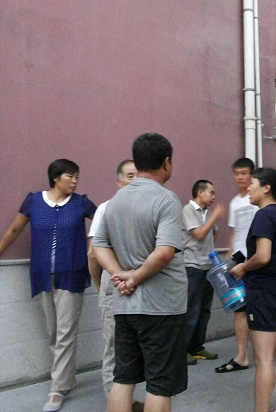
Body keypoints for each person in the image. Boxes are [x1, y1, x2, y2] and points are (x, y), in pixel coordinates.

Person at [92, 133, 187, 412]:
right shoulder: (167, 199)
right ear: (167, 163)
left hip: (125, 306)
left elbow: (98, 245)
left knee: (124, 378)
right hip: (161, 307)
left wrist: (119, 275)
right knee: (159, 385)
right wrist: (134, 277)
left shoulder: (115, 201)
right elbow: (164, 252)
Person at [0, 159, 96, 412]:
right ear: (55, 177)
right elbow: (14, 231)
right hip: (42, 274)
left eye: (77, 177)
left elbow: (104, 223)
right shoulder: (33, 201)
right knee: (53, 331)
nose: (75, 181)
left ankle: (57, 389)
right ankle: (67, 377)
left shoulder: (81, 203)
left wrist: (98, 249)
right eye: (70, 176)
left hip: (71, 274)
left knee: (65, 333)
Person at [230, 168, 276, 412]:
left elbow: (263, 256)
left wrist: (243, 267)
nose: (248, 188)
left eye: (253, 183)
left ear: (266, 188)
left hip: (264, 293)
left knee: (264, 359)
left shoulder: (263, 215)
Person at [87, 159, 141, 408]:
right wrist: (101, 285)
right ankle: (116, 403)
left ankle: (127, 400)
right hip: (115, 281)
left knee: (133, 346)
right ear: (118, 181)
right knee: (114, 345)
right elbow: (93, 253)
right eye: (129, 176)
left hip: (141, 282)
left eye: (138, 175)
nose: (135, 180)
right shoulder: (106, 208)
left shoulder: (145, 207)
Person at [215, 158, 258, 373]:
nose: (240, 177)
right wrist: (229, 261)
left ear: (252, 174)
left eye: (244, 173)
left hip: (258, 259)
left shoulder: (257, 197)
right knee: (239, 309)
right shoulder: (234, 203)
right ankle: (242, 356)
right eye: (237, 173)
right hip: (239, 261)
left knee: (263, 307)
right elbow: (233, 233)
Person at [182, 180, 224, 365]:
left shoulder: (208, 213)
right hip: (193, 267)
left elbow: (213, 233)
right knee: (192, 310)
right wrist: (215, 216)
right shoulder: (187, 210)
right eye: (211, 193)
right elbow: (199, 234)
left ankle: (197, 347)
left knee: (205, 310)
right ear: (200, 193)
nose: (214, 197)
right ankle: (183, 350)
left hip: (208, 268)